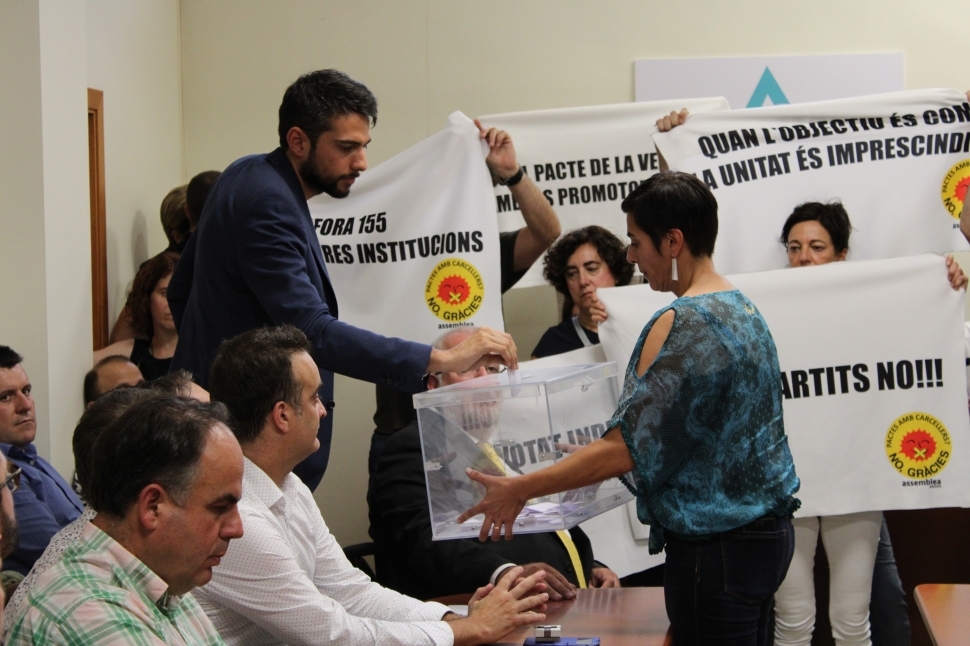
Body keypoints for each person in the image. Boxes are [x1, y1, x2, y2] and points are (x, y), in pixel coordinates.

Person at [459, 172, 801, 645]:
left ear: (673, 241)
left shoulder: (683, 321)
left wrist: (520, 489)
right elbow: (701, 440)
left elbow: (625, 449)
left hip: (716, 550)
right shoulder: (741, 308)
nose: (632, 256)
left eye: (637, 241)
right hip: (766, 541)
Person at [168, 69, 519, 491]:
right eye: (346, 147)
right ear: (298, 141)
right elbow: (312, 330)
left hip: (229, 429)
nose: (361, 163)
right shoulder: (267, 202)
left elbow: (180, 289)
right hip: (244, 443)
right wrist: (442, 360)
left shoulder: (245, 173)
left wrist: (204, 363)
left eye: (364, 146)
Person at [197, 325, 548, 646]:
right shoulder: (240, 517)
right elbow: (330, 634)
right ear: (282, 415)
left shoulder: (290, 486)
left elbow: (351, 593)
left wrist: (451, 619)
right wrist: (466, 630)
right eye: (315, 398)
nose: (323, 411)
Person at [772, 201, 965, 646]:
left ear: (841, 254)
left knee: (852, 620)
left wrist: (942, 284)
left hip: (855, 478)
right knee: (793, 620)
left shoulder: (875, 308)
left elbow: (925, 339)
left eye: (816, 246)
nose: (803, 257)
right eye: (794, 247)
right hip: (785, 483)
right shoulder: (762, 310)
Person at [369, 326, 618, 601]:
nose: (484, 380)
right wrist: (504, 573)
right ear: (433, 385)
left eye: (491, 369)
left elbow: (535, 524)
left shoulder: (495, 450)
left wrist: (588, 566)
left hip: (561, 598)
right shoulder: (414, 447)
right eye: (468, 368)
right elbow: (420, 541)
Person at [370, 120, 562, 474]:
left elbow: (547, 232)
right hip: (404, 431)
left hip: (477, 431)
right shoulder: (388, 259)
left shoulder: (480, 255)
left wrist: (513, 174)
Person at [5, 395, 243, 645]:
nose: (236, 529)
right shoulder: (86, 612)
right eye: (220, 507)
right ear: (152, 506)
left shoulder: (163, 581)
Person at [0, 346, 84, 576]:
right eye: (5, 397)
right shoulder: (6, 472)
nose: (25, 405)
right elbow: (61, 556)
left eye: (26, 391)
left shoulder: (28, 457)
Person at [532, 226, 633, 358]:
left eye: (592, 269)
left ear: (616, 272)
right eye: (572, 273)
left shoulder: (642, 327)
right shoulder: (552, 342)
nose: (583, 281)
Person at [95, 252, 180, 381]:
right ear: (147, 298)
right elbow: (78, 363)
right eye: (164, 293)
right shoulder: (133, 351)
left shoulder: (203, 352)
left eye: (180, 294)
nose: (172, 302)